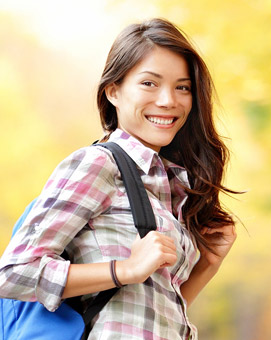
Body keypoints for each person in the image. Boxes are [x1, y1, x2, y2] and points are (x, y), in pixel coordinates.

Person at [0, 18, 237, 339]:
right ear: (113, 91)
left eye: (183, 87)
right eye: (149, 83)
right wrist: (124, 269)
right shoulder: (98, 164)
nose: (169, 100)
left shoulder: (169, 191)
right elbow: (13, 274)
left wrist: (207, 264)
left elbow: (146, 314)